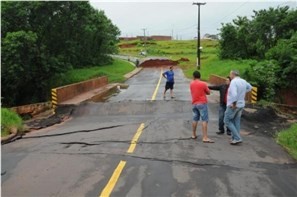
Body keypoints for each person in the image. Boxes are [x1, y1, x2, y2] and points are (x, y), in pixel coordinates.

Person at [224, 70, 252, 145]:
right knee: (236, 121)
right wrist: (242, 93)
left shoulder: (233, 82)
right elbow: (250, 87)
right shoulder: (243, 81)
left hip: (234, 105)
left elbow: (234, 94)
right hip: (241, 104)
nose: (229, 76)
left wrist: (234, 104)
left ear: (233, 74)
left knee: (227, 120)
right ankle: (234, 138)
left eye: (230, 74)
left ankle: (237, 138)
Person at [190, 71, 214, 143]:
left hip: (194, 103)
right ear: (199, 76)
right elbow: (208, 92)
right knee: (204, 120)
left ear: (194, 76)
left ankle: (193, 134)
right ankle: (205, 137)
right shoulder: (203, 84)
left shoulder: (191, 83)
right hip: (202, 103)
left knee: (195, 119)